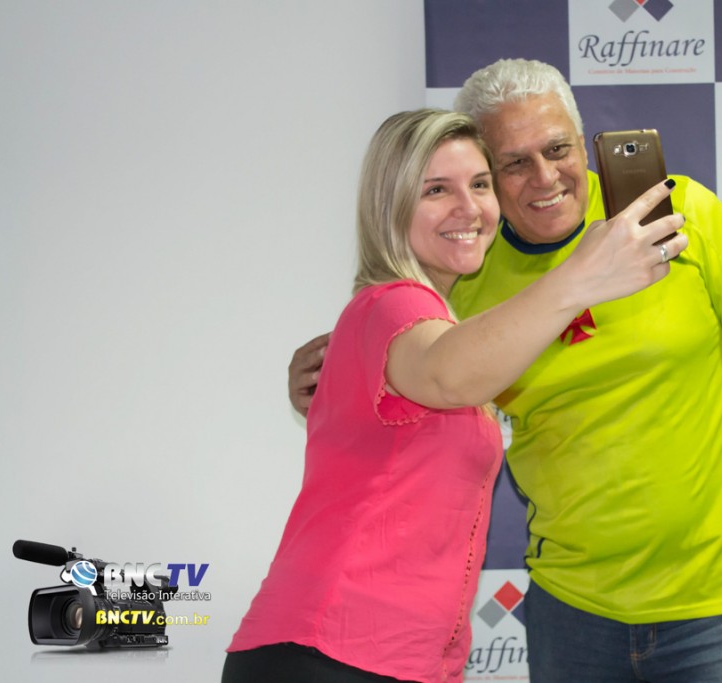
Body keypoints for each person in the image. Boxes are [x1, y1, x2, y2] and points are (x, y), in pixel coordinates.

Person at [288, 60, 722, 682]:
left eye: (557, 149)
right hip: (569, 610)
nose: (544, 177)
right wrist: (329, 372)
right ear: (488, 175)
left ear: (584, 144)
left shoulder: (679, 217)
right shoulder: (469, 267)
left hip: (718, 606)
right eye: (514, 163)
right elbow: (406, 354)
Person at [224, 108, 686, 683]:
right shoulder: (392, 303)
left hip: (395, 659)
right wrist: (579, 278)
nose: (469, 208)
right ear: (391, 206)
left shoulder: (429, 320)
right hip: (332, 652)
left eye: (481, 185)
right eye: (437, 190)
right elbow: (448, 376)